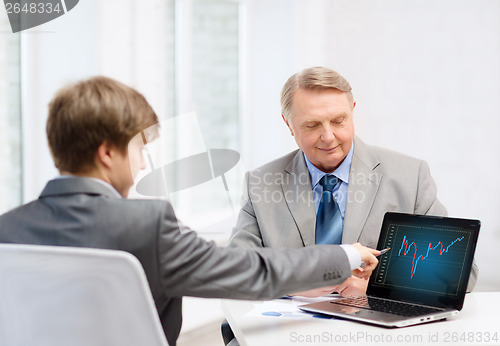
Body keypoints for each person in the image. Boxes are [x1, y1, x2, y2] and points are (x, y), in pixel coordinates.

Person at [0, 76, 380, 346]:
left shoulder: (7, 229)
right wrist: (347, 255)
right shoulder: (145, 226)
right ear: (107, 153)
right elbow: (253, 272)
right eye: (139, 150)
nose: (144, 166)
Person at [229, 66, 478, 297]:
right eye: (313, 125)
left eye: (339, 121)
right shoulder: (260, 183)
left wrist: (375, 286)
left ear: (353, 112)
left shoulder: (410, 177)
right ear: (288, 124)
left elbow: (463, 275)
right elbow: (235, 272)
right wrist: (298, 284)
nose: (328, 137)